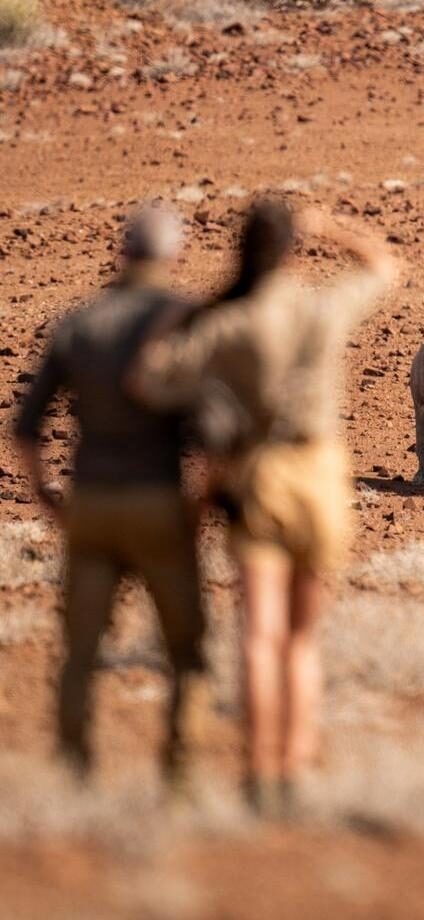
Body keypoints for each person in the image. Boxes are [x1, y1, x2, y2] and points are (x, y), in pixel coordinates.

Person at [131, 199, 398, 816]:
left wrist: (183, 311)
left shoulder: (230, 324)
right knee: (302, 640)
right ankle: (294, 770)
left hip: (259, 477)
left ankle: (258, 772)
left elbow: (146, 380)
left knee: (260, 634)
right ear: (290, 251)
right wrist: (331, 229)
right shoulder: (320, 306)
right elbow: (385, 266)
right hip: (323, 474)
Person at [14, 204, 206, 785]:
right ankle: (179, 776)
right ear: (171, 256)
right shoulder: (184, 322)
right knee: (186, 650)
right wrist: (199, 501)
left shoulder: (78, 322)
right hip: (159, 505)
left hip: (91, 505)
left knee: (79, 650)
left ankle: (76, 770)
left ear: (123, 253)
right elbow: (219, 433)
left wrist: (46, 493)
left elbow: (25, 427)